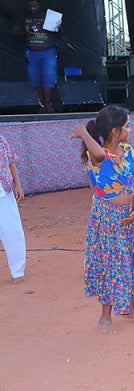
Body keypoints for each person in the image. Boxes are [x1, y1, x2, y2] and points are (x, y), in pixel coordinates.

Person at [71, 105, 134, 334]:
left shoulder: (127, 150)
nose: (130, 130)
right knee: (112, 266)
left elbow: (132, 182)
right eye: (127, 126)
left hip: (127, 217)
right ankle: (105, 315)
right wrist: (83, 133)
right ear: (115, 131)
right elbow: (98, 155)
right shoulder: (97, 155)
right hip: (107, 217)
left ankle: (130, 308)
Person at [13, 0, 61, 113]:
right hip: (31, 52)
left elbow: (61, 33)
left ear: (40, 5)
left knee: (48, 76)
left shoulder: (48, 15)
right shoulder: (23, 16)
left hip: (48, 51)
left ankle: (48, 104)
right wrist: (25, 33)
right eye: (30, 6)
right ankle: (42, 105)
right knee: (35, 79)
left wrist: (57, 27)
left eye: (35, 6)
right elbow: (15, 32)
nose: (33, 8)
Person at [0, 135, 26, 283]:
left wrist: (18, 185)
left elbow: (11, 162)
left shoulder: (2, 140)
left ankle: (18, 271)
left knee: (13, 230)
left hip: (5, 190)